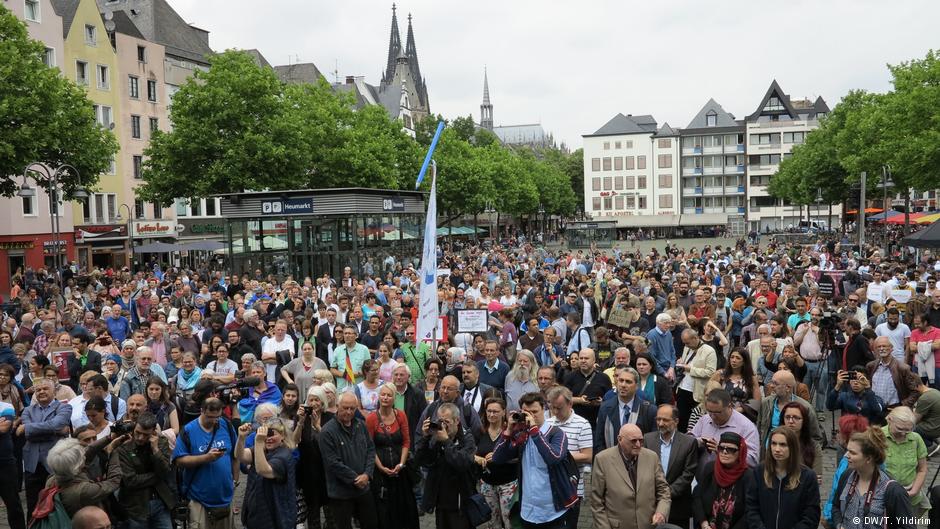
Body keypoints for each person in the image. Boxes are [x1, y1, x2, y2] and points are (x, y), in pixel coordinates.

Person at [492, 392, 578, 529]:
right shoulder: (521, 435)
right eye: (527, 412)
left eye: (535, 411)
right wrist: (508, 430)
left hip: (553, 510)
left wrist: (534, 430)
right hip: (528, 511)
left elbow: (553, 458)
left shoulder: (556, 433)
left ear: (544, 409)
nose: (531, 416)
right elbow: (497, 458)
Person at [172, 397, 239, 529]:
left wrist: (235, 480)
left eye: (217, 417)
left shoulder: (226, 425)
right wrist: (206, 458)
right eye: (210, 417)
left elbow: (235, 455)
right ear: (202, 411)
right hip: (199, 501)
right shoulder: (188, 430)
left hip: (225, 498)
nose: (214, 421)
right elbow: (179, 461)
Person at [831, 427, 915, 529]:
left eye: (852, 453)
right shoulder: (846, 476)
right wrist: (839, 525)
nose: (846, 456)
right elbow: (836, 507)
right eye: (847, 450)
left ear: (869, 458)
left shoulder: (893, 490)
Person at [591, 423, 671, 529]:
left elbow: (664, 491)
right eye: (633, 440)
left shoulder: (652, 457)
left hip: (648, 525)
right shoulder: (602, 459)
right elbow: (596, 501)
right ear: (620, 439)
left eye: (640, 440)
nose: (638, 444)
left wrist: (661, 512)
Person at [319, 392, 378, 529]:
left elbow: (370, 450)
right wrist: (356, 479)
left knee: (371, 524)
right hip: (341, 493)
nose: (349, 412)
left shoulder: (361, 426)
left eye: (352, 408)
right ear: (338, 406)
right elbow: (333, 463)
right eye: (345, 408)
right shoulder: (327, 432)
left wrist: (367, 474)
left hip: (363, 489)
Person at [416, 401, 478, 529]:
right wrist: (426, 437)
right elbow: (423, 461)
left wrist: (446, 442)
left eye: (447, 422)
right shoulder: (436, 436)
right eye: (440, 421)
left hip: (460, 502)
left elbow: (462, 463)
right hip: (441, 500)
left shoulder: (467, 438)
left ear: (457, 421)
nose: (443, 426)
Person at [365, 383, 419, 529]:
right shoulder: (371, 419)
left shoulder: (400, 415)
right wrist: (381, 467)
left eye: (389, 395)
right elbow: (370, 447)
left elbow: (407, 441)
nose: (385, 398)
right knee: (384, 509)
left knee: (403, 507)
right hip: (380, 473)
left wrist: (401, 464)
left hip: (400, 471)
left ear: (394, 398)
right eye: (383, 394)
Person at [744, 427, 820, 529]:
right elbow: (751, 507)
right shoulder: (759, 471)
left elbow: (811, 515)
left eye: (783, 445)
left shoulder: (808, 477)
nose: (777, 449)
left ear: (792, 447)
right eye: (773, 444)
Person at [19, 378, 72, 516]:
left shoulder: (64, 407)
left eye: (45, 389)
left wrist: (29, 427)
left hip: (55, 463)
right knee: (32, 505)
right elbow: (28, 435)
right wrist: (54, 431)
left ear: (54, 391)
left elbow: (57, 424)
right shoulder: (27, 411)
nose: (41, 392)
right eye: (38, 390)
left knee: (57, 504)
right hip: (32, 464)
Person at [235, 417, 298, 529]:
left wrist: (259, 442)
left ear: (283, 436)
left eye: (272, 434)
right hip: (256, 516)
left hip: (276, 519)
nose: (268, 438)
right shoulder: (263, 450)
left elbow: (263, 470)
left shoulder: (284, 456)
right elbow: (241, 456)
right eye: (266, 435)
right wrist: (241, 437)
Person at [117, 412, 175, 529]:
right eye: (138, 433)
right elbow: (131, 481)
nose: (140, 438)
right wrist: (157, 477)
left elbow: (165, 470)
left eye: (145, 435)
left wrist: (155, 450)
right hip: (136, 506)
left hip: (160, 503)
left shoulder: (161, 442)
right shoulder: (124, 448)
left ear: (153, 432)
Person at [644, 403, 699, 527]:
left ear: (676, 421)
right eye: (658, 419)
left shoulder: (689, 443)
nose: (661, 423)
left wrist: (665, 494)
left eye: (665, 420)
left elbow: (688, 474)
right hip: (651, 505)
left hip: (678, 507)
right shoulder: (647, 439)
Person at [545, 385, 593, 525]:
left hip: (573, 488)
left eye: (559, 408)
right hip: (551, 487)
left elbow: (587, 456)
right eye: (552, 407)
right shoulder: (547, 423)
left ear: (570, 404)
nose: (555, 412)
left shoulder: (583, 424)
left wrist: (559, 455)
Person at [45, 436, 123, 516]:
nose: (84, 456)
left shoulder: (52, 479)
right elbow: (113, 482)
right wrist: (113, 451)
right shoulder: (83, 491)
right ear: (78, 466)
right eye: (82, 457)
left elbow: (85, 453)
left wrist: (109, 438)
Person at [692, 432, 754, 529]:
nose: (724, 452)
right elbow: (697, 496)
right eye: (721, 448)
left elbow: (750, 511)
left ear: (740, 452)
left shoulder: (748, 476)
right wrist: (703, 522)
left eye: (731, 449)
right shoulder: (711, 468)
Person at [475, 397, 518, 529]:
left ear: (503, 412)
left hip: (508, 483)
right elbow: (469, 451)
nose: (492, 414)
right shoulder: (480, 431)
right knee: (493, 521)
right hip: (487, 484)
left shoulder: (511, 431)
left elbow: (519, 457)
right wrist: (476, 458)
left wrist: (500, 457)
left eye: (495, 411)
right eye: (489, 411)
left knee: (509, 519)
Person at [691, 389, 760, 470]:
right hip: (702, 477)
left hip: (731, 479)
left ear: (729, 407)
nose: (712, 416)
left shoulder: (747, 427)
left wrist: (723, 450)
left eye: (717, 412)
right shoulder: (705, 419)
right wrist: (698, 442)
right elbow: (689, 441)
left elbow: (753, 461)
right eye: (709, 411)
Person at [295, 386, 333, 529]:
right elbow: (294, 441)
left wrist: (317, 426)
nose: (314, 403)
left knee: (331, 514)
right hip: (308, 472)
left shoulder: (330, 418)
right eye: (311, 400)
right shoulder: (301, 419)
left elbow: (331, 443)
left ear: (322, 402)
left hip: (326, 471)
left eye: (317, 400)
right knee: (313, 513)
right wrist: (300, 421)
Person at [595, 367, 657, 453]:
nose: (623, 385)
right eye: (621, 380)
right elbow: (599, 441)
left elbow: (652, 443)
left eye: (628, 382)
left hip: (640, 461)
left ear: (636, 386)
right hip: (611, 461)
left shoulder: (649, 410)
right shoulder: (605, 408)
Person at [883, 406, 930, 516]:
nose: (903, 433)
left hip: (910, 497)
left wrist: (914, 490)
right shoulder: (878, 436)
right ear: (889, 420)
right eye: (899, 428)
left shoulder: (916, 439)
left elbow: (922, 469)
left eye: (908, 430)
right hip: (883, 497)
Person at [676, 328, 718, 432]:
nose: (686, 345)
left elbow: (711, 372)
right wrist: (681, 362)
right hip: (682, 387)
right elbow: (686, 363)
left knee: (694, 422)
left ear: (695, 338)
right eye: (684, 343)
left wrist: (691, 369)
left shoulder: (709, 351)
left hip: (697, 392)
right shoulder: (687, 348)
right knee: (681, 420)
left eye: (688, 343)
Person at [866, 335, 919, 409]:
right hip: (875, 408)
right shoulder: (871, 366)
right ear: (875, 350)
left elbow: (915, 391)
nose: (881, 349)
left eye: (884, 346)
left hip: (894, 409)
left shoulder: (903, 368)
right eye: (879, 347)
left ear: (891, 348)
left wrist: (902, 406)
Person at [564, 348, 612, 427]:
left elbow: (611, 400)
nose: (583, 361)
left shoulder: (604, 378)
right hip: (575, 423)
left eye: (586, 358)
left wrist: (601, 402)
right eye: (581, 358)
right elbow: (564, 399)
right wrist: (579, 400)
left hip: (597, 423)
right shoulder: (569, 377)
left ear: (593, 360)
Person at [780, 401, 822, 478]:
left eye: (796, 418)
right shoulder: (776, 442)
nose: (791, 421)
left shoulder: (814, 446)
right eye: (787, 417)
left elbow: (815, 479)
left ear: (804, 421)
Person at [236, 360, 282, 425]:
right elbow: (242, 405)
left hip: (270, 421)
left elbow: (278, 405)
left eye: (258, 372)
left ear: (264, 374)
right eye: (253, 372)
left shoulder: (273, 389)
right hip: (250, 423)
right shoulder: (246, 389)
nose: (256, 374)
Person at [330, 326, 371, 391]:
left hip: (358, 389)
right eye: (345, 333)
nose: (347, 336)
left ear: (356, 335)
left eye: (349, 333)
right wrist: (343, 374)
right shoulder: (337, 350)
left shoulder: (364, 349)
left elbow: (369, 369)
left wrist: (357, 374)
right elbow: (332, 369)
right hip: (342, 389)